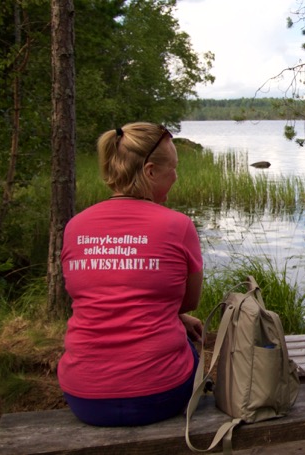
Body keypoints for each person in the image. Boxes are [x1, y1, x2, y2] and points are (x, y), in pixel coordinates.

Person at [57, 122, 204, 427]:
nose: (176, 175)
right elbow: (188, 302)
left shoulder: (75, 226)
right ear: (150, 171)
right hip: (161, 393)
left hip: (83, 397)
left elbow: (99, 296)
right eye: (173, 168)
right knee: (192, 348)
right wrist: (176, 316)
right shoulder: (178, 226)